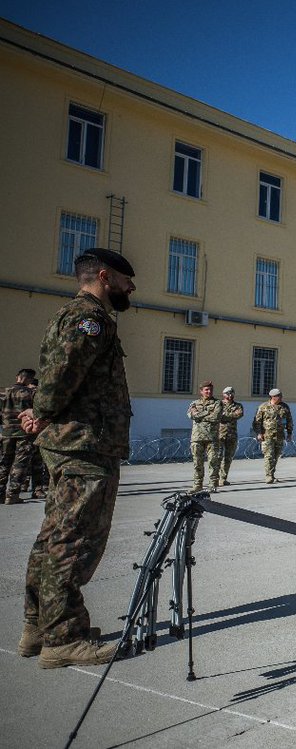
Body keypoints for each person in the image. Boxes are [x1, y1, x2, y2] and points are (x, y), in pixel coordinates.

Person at [18, 247, 135, 668]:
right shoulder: (91, 319)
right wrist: (43, 411)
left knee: (52, 537)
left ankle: (38, 626)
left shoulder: (67, 315)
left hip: (69, 443)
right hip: (84, 445)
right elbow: (63, 374)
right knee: (74, 541)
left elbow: (54, 375)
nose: (130, 287)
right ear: (104, 276)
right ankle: (63, 638)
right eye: (124, 279)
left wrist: (42, 412)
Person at [1, 368, 37, 504]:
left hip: (6, 432)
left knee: (4, 462)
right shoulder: (31, 393)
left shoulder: (4, 392)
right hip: (24, 432)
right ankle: (12, 495)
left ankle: (0, 492)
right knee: (20, 463)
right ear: (30, 379)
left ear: (17, 377)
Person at [186, 381, 221, 492]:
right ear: (201, 391)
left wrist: (199, 415)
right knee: (197, 463)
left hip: (212, 438)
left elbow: (216, 417)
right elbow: (191, 415)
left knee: (213, 462)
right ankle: (197, 484)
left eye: (210, 389)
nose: (208, 392)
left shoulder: (217, 403)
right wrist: (207, 413)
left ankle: (212, 484)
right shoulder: (194, 403)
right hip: (197, 437)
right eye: (206, 390)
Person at [253, 388, 292, 483]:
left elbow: (289, 420)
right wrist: (258, 433)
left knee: (276, 455)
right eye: (279, 396)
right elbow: (257, 422)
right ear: (273, 397)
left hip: (280, 435)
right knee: (269, 456)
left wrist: (290, 433)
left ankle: (272, 474)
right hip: (267, 435)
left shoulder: (284, 407)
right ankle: (269, 476)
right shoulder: (263, 407)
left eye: (281, 395)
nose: (281, 397)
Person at [215, 386, 244, 487]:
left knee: (228, 458)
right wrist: (228, 416)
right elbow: (215, 415)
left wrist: (224, 417)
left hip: (231, 435)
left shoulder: (238, 405)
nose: (230, 395)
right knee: (217, 457)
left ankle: (223, 478)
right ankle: (215, 478)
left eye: (232, 393)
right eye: (228, 393)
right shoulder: (218, 404)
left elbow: (239, 414)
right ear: (223, 394)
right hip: (219, 435)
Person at [26, 378, 49, 499]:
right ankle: (39, 488)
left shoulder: (31, 393)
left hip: (28, 431)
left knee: (30, 461)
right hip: (35, 431)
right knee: (37, 462)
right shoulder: (37, 393)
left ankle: (35, 487)